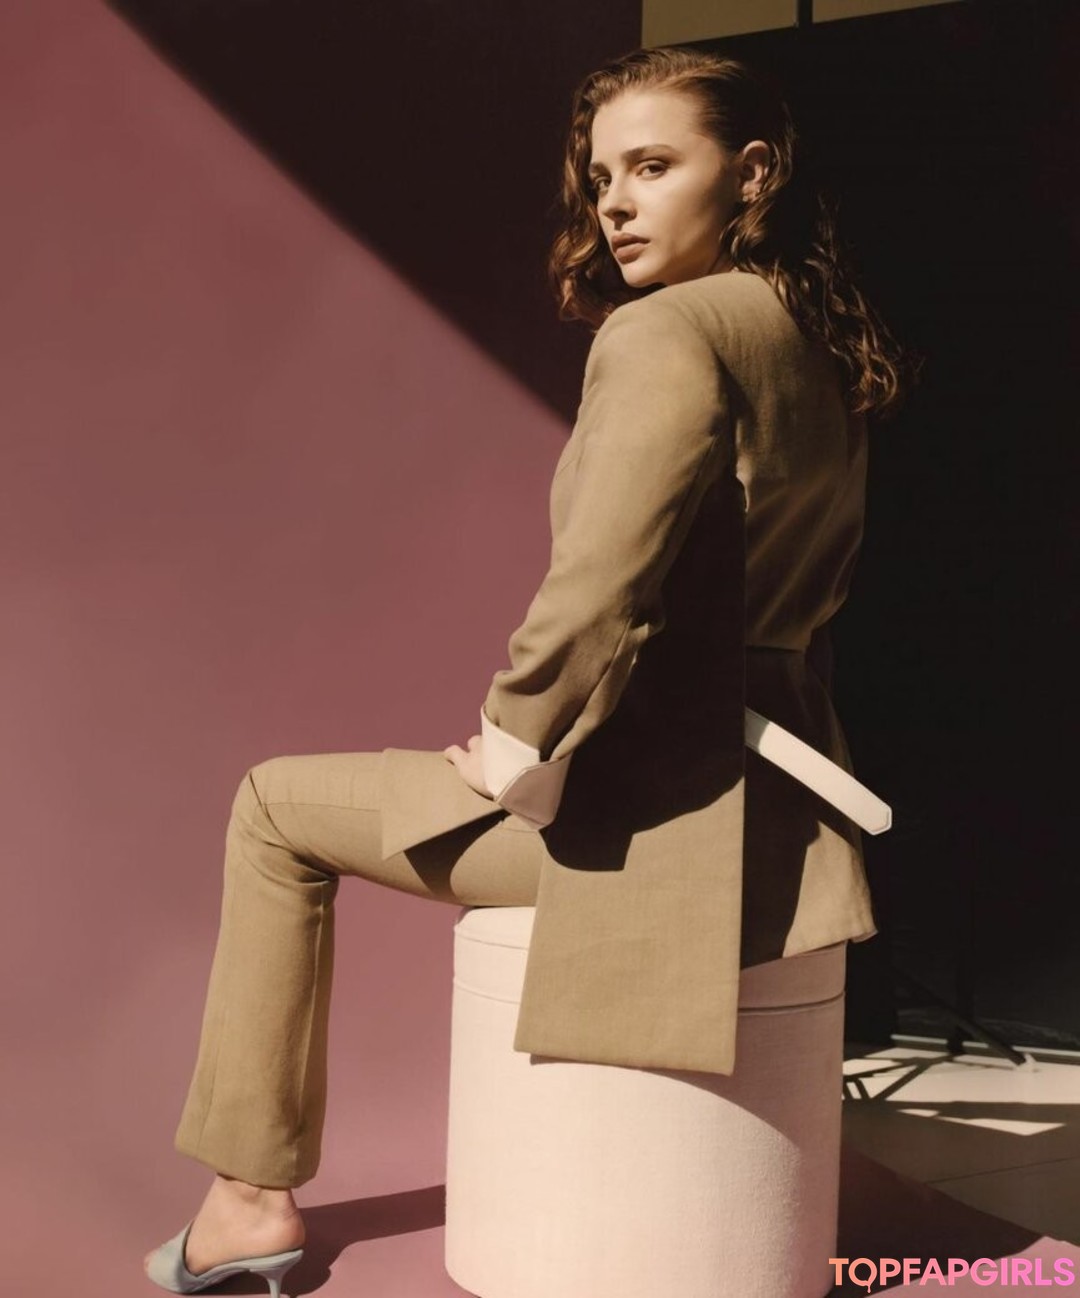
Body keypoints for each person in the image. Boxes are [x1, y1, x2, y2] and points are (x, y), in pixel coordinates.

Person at [144, 44, 911, 1297]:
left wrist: (513, 746)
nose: (615, 203)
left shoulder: (666, 329)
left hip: (659, 819)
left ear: (753, 172)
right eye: (602, 177)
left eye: (653, 166)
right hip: (785, 808)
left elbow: (603, 581)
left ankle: (245, 1201)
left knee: (273, 806)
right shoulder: (813, 346)